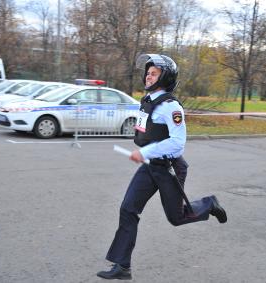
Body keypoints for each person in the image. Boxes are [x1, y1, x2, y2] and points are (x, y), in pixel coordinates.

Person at [97, 54, 227, 280]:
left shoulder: (171, 106)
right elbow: (146, 131)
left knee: (176, 217)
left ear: (165, 77)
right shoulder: (147, 101)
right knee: (128, 209)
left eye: (154, 73)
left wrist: (145, 152)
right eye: (148, 72)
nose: (148, 76)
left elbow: (177, 144)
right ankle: (122, 266)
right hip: (150, 166)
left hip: (170, 168)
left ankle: (209, 204)